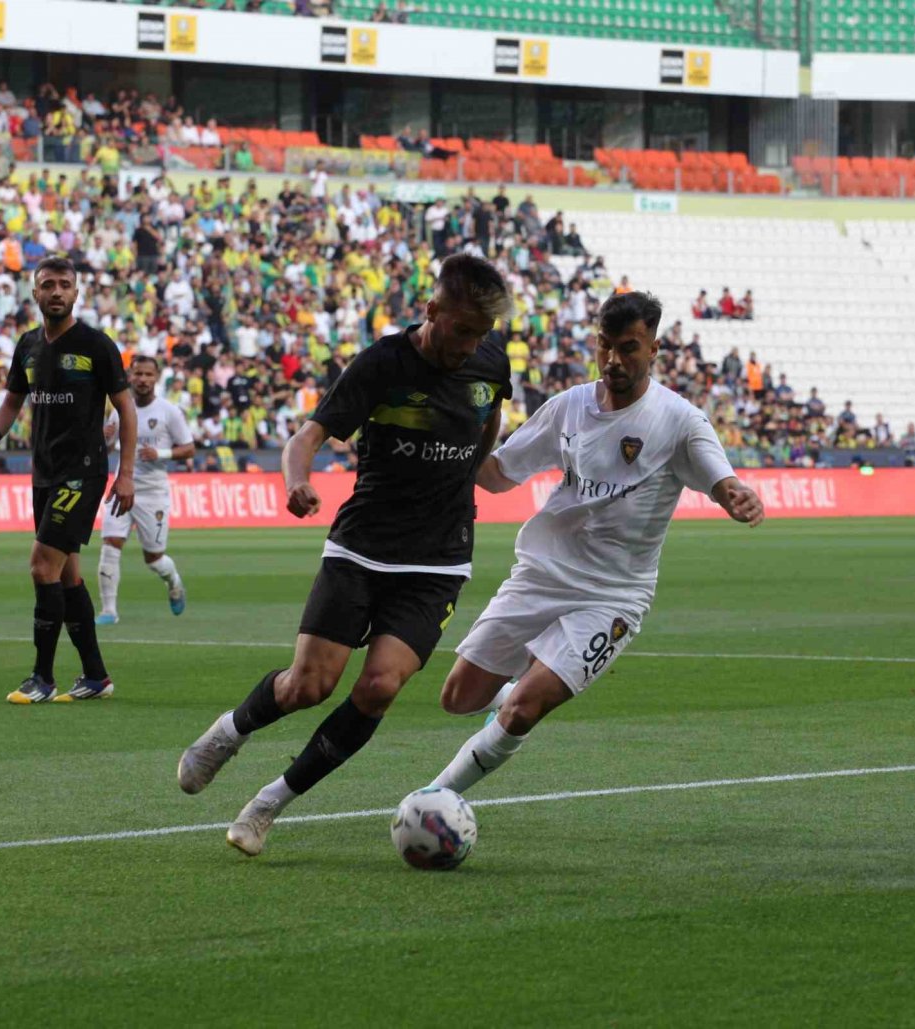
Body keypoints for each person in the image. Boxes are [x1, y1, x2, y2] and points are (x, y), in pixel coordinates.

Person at [176, 254, 513, 856]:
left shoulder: (490, 362)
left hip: (438, 559)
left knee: (380, 686)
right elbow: (306, 438)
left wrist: (474, 472)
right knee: (309, 685)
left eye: (481, 333)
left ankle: (268, 803)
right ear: (432, 310)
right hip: (362, 547)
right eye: (462, 329)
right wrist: (295, 481)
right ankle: (227, 733)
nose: (470, 344)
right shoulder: (382, 363)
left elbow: (487, 421)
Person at [415, 291, 764, 800]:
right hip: (543, 573)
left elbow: (721, 478)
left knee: (521, 711)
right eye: (604, 346)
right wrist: (451, 437)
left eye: (628, 348)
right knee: (459, 697)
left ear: (654, 349)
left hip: (613, 596)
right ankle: (524, 687)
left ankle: (435, 798)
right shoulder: (568, 407)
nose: (613, 360)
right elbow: (494, 476)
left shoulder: (680, 420)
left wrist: (736, 495)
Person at [0, 256, 136, 704]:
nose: (57, 291)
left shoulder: (96, 345)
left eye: (65, 284)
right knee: (66, 576)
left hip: (82, 472)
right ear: (36, 294)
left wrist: (126, 474)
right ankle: (96, 676)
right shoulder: (27, 346)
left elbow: (125, 408)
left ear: (77, 292)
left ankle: (42, 679)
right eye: (49, 284)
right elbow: (11, 401)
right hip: (43, 472)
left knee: (41, 565)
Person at [96, 355, 195, 626]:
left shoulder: (169, 412)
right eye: (138, 374)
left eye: (148, 375)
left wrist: (161, 452)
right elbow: (106, 446)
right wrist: (102, 438)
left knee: (153, 558)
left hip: (153, 493)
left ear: (157, 377)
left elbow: (189, 447)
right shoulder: (119, 410)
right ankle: (108, 611)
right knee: (110, 543)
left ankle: (173, 580)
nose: (142, 379)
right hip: (121, 486)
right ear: (130, 376)